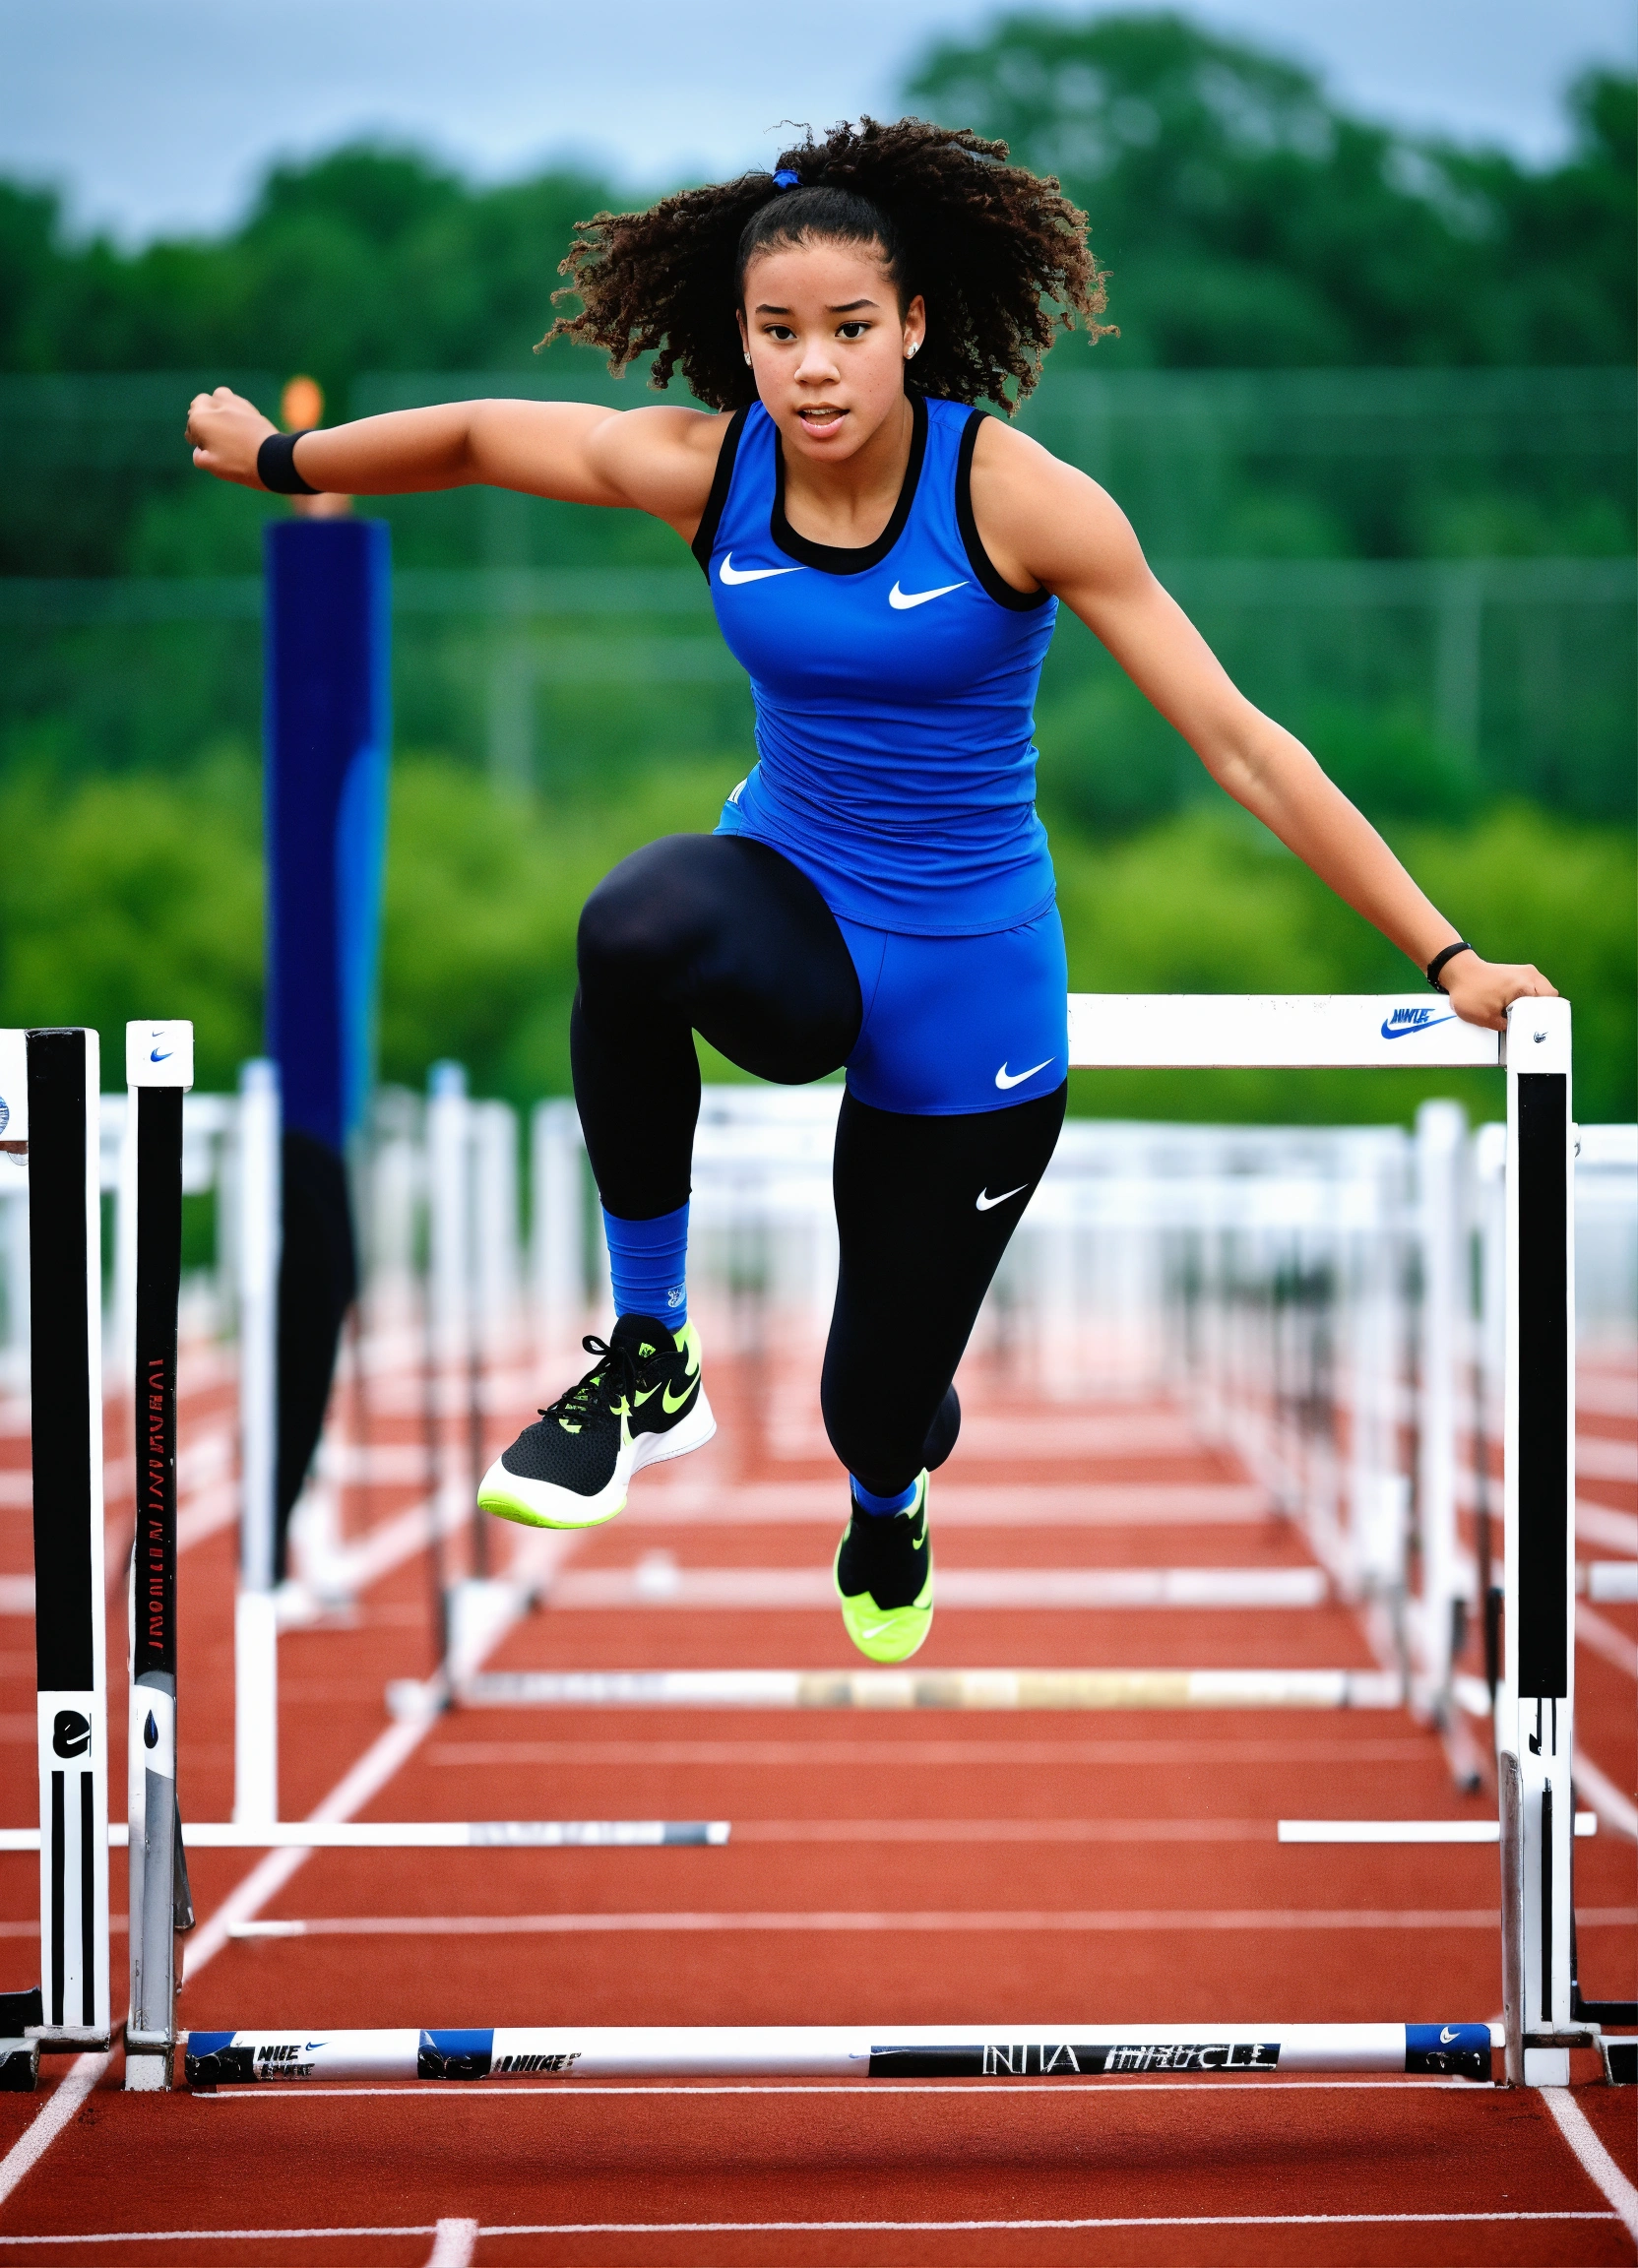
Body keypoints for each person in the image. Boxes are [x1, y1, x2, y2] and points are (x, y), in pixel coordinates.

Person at [187, 117, 1554, 1668]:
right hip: (793, 915)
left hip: (971, 997)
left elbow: (1244, 750)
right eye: (778, 335)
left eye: (848, 331)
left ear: (912, 326)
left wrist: (1449, 956)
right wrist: (283, 460)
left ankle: (890, 1488)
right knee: (629, 925)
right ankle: (650, 1352)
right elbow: (497, 434)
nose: (813, 370)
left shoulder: (1023, 501)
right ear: (743, 343)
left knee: (871, 1401)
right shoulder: (711, 473)